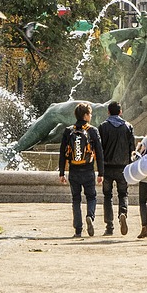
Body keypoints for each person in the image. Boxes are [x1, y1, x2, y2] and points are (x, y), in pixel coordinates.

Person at [57, 102, 104, 238]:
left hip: (74, 171)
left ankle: (78, 230)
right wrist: (101, 173)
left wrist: (61, 173)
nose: (91, 116)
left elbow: (62, 153)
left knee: (76, 200)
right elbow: (99, 153)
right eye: (90, 113)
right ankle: (90, 215)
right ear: (85, 115)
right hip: (88, 171)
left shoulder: (68, 131)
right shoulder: (92, 131)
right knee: (91, 197)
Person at [98, 100, 135, 235]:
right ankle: (122, 214)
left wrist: (99, 168)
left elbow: (99, 149)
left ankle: (109, 227)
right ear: (120, 112)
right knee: (123, 194)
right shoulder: (128, 127)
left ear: (108, 112)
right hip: (123, 168)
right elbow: (132, 149)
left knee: (107, 196)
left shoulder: (103, 127)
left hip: (107, 167)